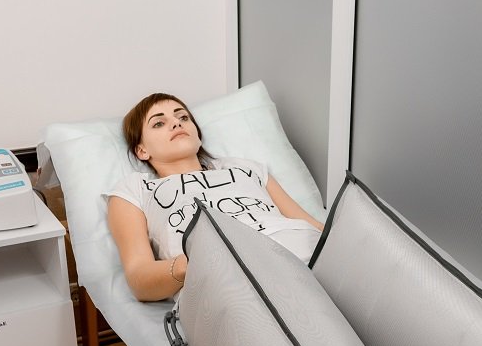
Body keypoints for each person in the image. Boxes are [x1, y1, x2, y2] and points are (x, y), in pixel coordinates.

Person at [104, 92, 324, 301]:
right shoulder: (136, 190)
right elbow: (139, 278)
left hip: (310, 255)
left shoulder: (246, 168)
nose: (177, 123)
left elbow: (313, 226)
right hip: (232, 277)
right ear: (141, 150)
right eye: (159, 123)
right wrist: (192, 262)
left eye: (183, 117)